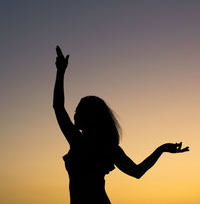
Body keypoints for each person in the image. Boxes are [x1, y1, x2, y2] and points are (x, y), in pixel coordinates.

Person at [53, 46, 189, 204]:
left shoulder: (91, 144)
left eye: (79, 111)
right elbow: (58, 107)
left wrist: (162, 149)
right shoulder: (81, 141)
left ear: (91, 116)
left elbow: (137, 172)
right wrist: (60, 71)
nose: (74, 115)